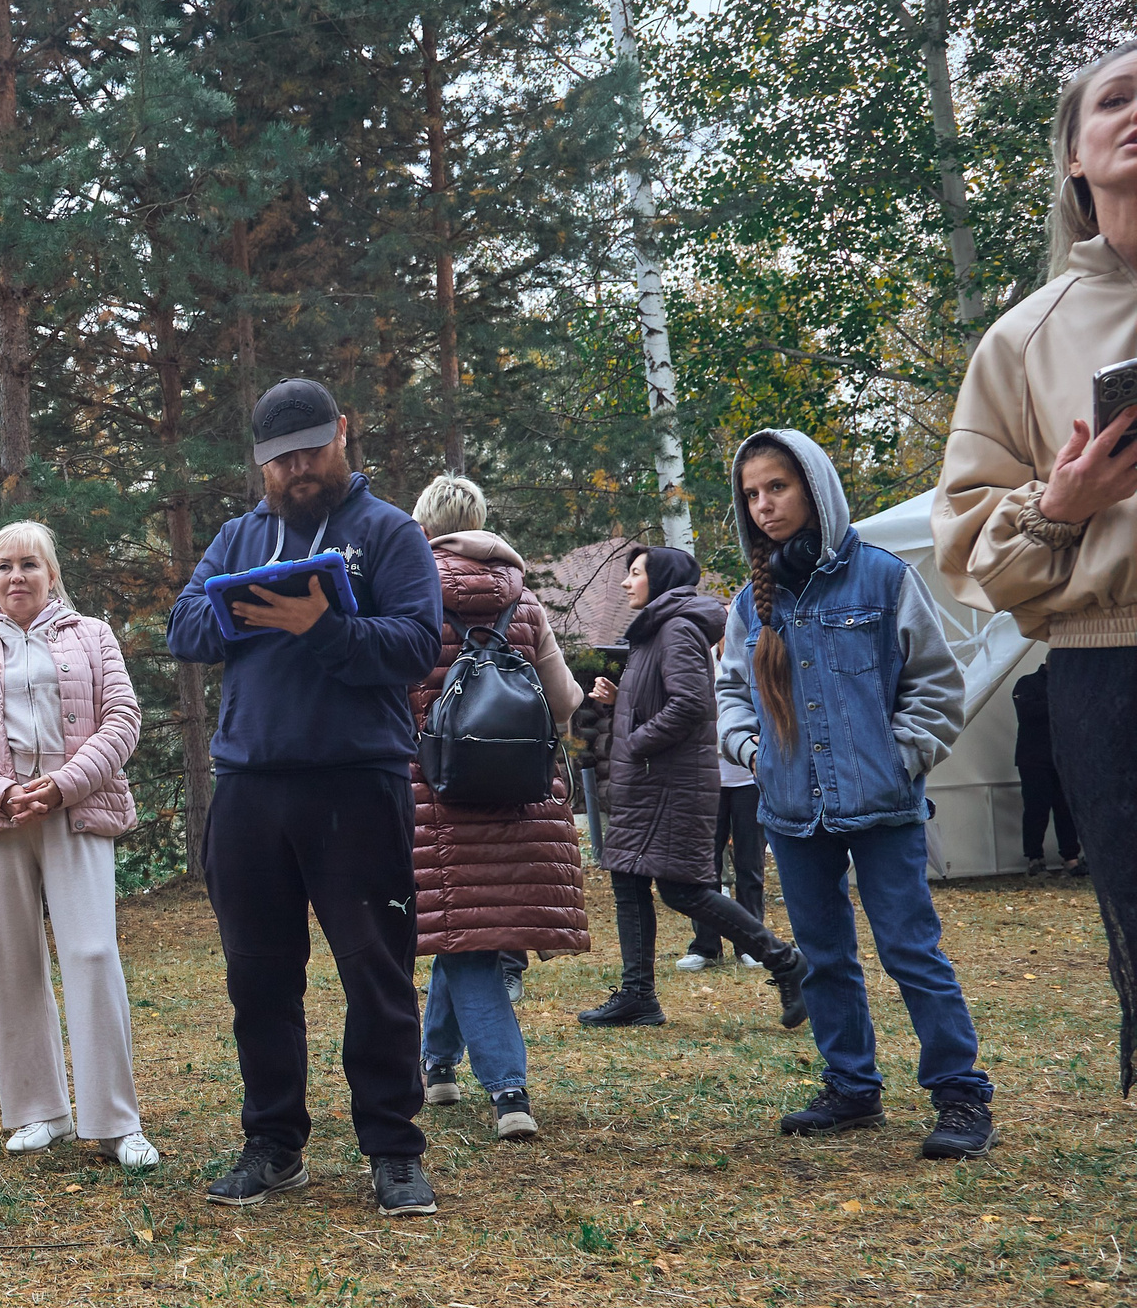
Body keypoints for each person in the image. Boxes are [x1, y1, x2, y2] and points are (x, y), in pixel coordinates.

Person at [165, 377, 445, 1216]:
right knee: (258, 976)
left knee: (377, 971)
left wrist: (321, 627)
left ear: (343, 433)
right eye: (280, 460)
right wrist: (252, 610)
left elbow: (416, 643)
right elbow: (183, 627)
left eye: (311, 451)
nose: (298, 470)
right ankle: (273, 1142)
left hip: (356, 782)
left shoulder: (389, 531)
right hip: (250, 786)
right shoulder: (239, 536)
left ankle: (393, 1148)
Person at [936, 38, 1137, 1096]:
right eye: (1116, 100)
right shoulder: (1022, 340)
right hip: (1114, 669)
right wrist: (1060, 507)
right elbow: (969, 549)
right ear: (1073, 152)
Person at [723, 430, 988, 1154]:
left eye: (777, 487)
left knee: (910, 950)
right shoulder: (751, 603)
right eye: (751, 494)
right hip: (791, 812)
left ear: (815, 487)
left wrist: (899, 758)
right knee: (823, 957)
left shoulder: (883, 579)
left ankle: (960, 1093)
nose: (763, 504)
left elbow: (937, 685)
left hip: (884, 806)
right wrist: (754, 755)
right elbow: (731, 695)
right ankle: (851, 1087)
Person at [0, 521, 156, 1167]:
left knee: (92, 953)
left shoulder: (94, 636)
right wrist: (1, 793)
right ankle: (39, 1111)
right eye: (4, 566)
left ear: (52, 574)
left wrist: (62, 785)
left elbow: (123, 720)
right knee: (12, 963)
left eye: (29, 564)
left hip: (76, 809)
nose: (17, 576)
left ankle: (115, 1120)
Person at [405, 476, 586, 1141]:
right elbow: (565, 702)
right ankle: (437, 1064)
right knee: (467, 932)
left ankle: (509, 1089)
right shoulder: (524, 601)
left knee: (465, 936)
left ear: (424, 529)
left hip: (438, 795)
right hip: (518, 794)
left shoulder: (411, 596)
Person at [575, 544, 809, 1031]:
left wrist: (634, 741)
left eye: (635, 573)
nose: (626, 583)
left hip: (667, 783)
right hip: (650, 781)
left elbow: (690, 705)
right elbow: (664, 699)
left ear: (660, 580)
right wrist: (621, 705)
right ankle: (639, 996)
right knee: (629, 881)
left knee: (683, 890)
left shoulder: (676, 628)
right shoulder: (654, 630)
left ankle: (785, 961)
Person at [681, 746, 769, 970]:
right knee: (703, 867)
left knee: (750, 865)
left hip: (750, 779)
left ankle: (751, 945)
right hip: (704, 778)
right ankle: (705, 946)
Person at [1010, 665, 1081, 876]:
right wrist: (1061, 704)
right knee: (1036, 810)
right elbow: (1027, 712)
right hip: (1034, 759)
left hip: (1065, 758)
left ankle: (1071, 859)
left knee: (1066, 810)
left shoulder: (1069, 684)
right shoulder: (1027, 683)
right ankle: (1035, 859)